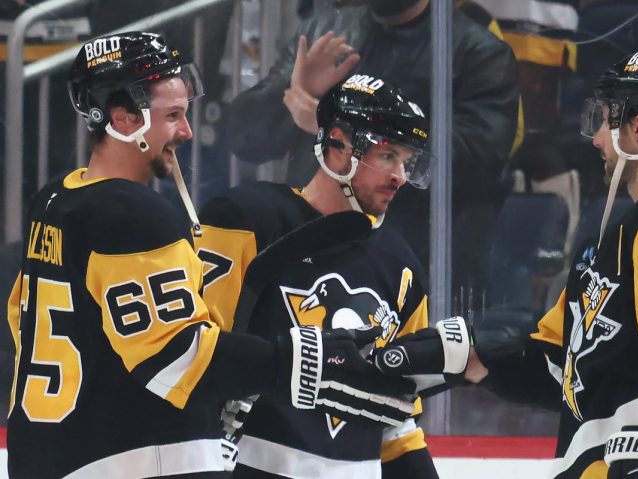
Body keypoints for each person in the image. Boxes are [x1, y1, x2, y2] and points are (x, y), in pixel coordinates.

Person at [5, 32, 415, 479]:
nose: (186, 131)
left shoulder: (56, 200)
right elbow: (177, 356)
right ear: (123, 120)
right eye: (174, 116)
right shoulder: (134, 215)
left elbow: (21, 318)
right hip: (131, 459)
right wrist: (302, 358)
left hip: (47, 453)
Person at [373, 50, 638, 479]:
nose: (595, 138)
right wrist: (468, 357)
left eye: (606, 118)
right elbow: (558, 367)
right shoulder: (620, 237)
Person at [196, 75, 438, 478]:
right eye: (387, 156)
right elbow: (194, 357)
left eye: (407, 162)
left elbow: (398, 422)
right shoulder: (245, 221)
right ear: (339, 145)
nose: (399, 176)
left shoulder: (402, 266)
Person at [227, 0, 519, 311]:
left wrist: (346, 126)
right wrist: (292, 91)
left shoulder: (477, 52)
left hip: (413, 268)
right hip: (305, 254)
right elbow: (243, 139)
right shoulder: (326, 33)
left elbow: (479, 162)